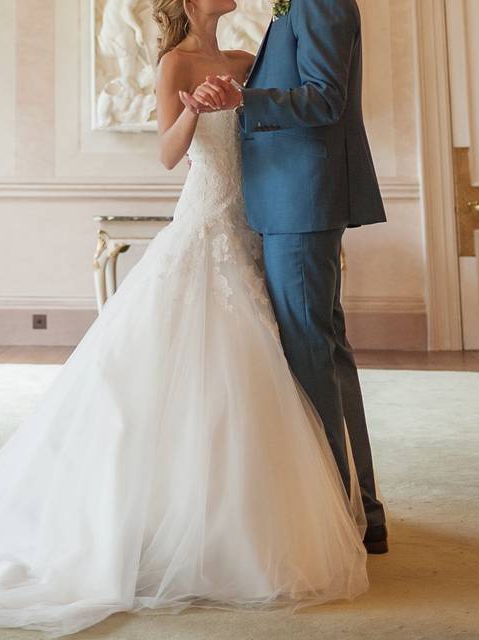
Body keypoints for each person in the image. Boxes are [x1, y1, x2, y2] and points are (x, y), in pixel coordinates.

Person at [0, 1, 374, 637]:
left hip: (253, 225)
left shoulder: (246, 60)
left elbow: (277, 123)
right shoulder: (173, 63)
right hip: (203, 221)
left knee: (261, 370)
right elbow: (169, 155)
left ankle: (259, 512)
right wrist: (197, 108)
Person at [179, 0, 389, 554]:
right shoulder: (291, 8)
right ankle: (360, 512)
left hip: (302, 203)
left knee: (310, 357)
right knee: (324, 353)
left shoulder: (318, 3)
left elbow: (326, 98)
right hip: (289, 202)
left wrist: (243, 98)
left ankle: (339, 521)